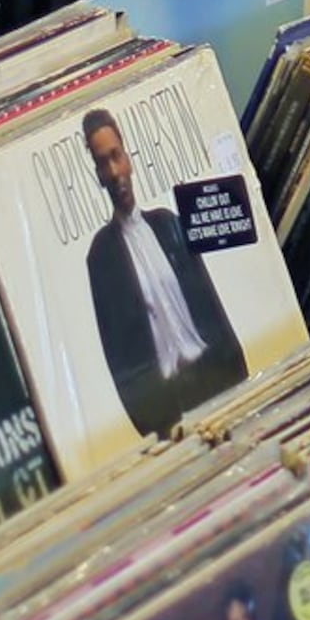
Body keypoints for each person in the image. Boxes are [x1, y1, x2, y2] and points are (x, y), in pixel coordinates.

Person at [78, 106, 247, 434]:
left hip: (216, 377)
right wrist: (151, 426)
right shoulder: (101, 257)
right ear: (98, 175)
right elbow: (119, 359)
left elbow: (211, 307)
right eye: (103, 163)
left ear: (129, 158)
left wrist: (240, 377)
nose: (114, 172)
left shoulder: (169, 222)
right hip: (168, 407)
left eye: (116, 156)